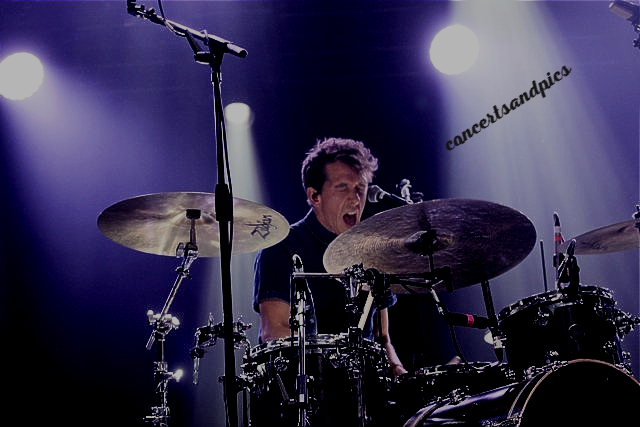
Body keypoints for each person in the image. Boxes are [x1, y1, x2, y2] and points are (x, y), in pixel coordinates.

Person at [252, 137, 407, 377]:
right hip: (304, 387)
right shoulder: (281, 248)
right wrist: (336, 365)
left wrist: (398, 370)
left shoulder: (371, 252)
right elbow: (274, 332)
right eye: (343, 187)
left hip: (365, 390)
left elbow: (382, 337)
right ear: (314, 196)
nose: (355, 199)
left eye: (360, 188)